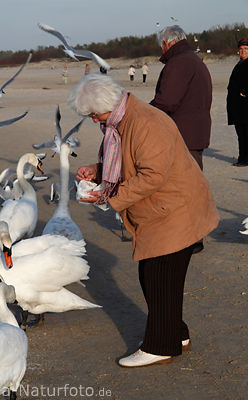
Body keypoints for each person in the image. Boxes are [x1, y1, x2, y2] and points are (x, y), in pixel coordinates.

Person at [69, 73, 218, 368]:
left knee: (159, 278)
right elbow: (129, 161)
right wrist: (99, 171)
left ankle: (161, 346)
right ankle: (176, 333)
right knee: (157, 278)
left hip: (175, 211)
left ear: (108, 105)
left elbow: (151, 175)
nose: (95, 121)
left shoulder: (146, 122)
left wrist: (107, 197)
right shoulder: (125, 120)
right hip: (165, 211)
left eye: (95, 115)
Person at [150, 25, 213, 253]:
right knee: (191, 185)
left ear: (167, 43)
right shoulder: (192, 59)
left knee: (187, 187)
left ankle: (193, 238)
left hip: (184, 135)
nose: (161, 49)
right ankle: (191, 236)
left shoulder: (180, 63)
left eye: (161, 45)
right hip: (194, 132)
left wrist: (143, 114)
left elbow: (166, 101)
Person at [226, 38, 248, 167]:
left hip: (245, 106)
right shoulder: (239, 64)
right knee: (241, 133)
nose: (243, 51)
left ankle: (245, 159)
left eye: (246, 49)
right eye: (241, 49)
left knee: (245, 133)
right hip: (237, 107)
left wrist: (245, 92)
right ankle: (242, 157)